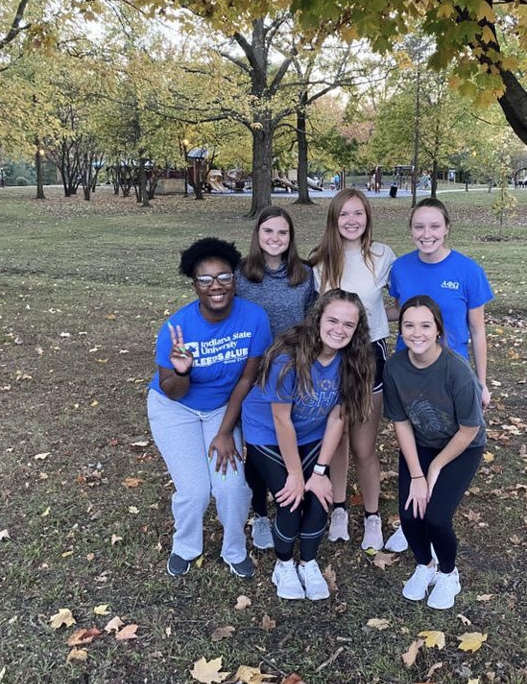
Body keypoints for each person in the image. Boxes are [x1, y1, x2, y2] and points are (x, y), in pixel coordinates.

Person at [147, 237, 272, 579]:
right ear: (195, 285)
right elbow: (172, 392)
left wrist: (225, 432)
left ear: (235, 279)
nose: (216, 286)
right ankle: (185, 546)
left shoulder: (254, 318)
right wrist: (183, 372)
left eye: (224, 277)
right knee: (195, 490)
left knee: (231, 486)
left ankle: (234, 549)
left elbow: (247, 380)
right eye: (205, 280)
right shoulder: (176, 328)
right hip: (176, 409)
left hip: (222, 407)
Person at [242, 289, 372, 599]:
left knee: (319, 499)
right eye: (332, 320)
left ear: (357, 329)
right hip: (268, 431)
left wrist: (319, 471)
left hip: (312, 433)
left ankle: (308, 561)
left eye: (348, 325)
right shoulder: (288, 355)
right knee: (292, 497)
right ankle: (284, 564)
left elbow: (338, 418)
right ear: (317, 320)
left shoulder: (352, 360)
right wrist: (297, 475)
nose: (339, 330)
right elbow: (281, 420)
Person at [383, 198, 493, 552]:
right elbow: (400, 312)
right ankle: (413, 514)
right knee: (416, 444)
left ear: (446, 228)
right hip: (410, 375)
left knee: (447, 444)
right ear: (411, 230)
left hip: (451, 376)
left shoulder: (468, 271)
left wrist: (482, 381)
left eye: (434, 226)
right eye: (419, 226)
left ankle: (434, 511)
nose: (426, 233)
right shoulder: (400, 269)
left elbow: (477, 330)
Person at [382, 295, 486, 610]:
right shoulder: (395, 367)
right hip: (421, 444)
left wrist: (434, 469)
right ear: (400, 330)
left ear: (438, 330)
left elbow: (469, 429)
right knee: (411, 513)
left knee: (437, 518)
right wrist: (416, 474)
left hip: (460, 447)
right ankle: (424, 565)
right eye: (409, 325)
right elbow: (400, 422)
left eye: (425, 325)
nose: (417, 333)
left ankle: (447, 573)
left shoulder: (457, 370)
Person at [310, 188, 397, 550]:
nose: (351, 220)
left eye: (358, 213)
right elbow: (316, 315)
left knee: (363, 444)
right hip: (330, 356)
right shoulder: (320, 261)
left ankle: (373, 517)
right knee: (338, 439)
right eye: (344, 214)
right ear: (334, 218)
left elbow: (402, 305)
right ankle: (341, 507)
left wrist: (384, 320)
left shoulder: (382, 255)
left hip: (369, 354)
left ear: (367, 217)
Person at [236, 206, 317, 550]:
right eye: (268, 231)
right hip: (251, 373)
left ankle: (295, 492)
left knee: (286, 435)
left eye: (282, 233)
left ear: (290, 237)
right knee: (256, 447)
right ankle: (260, 514)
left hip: (290, 370)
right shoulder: (241, 274)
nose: (275, 238)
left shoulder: (304, 275)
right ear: (257, 235)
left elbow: (313, 320)